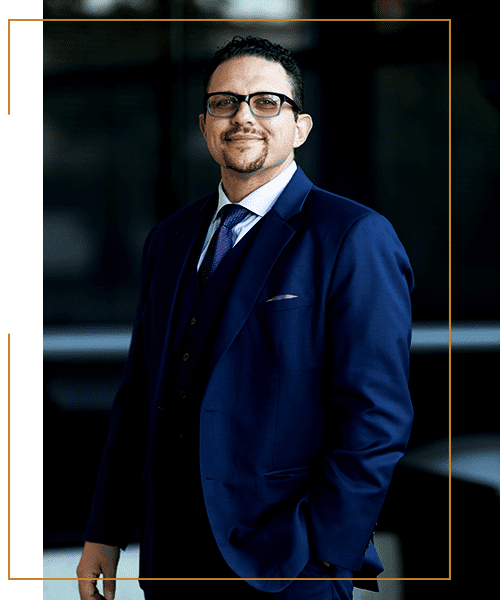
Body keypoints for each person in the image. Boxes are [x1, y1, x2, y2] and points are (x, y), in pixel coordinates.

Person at [77, 36, 414, 600]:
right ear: (205, 123)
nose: (243, 117)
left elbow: (375, 416)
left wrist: (324, 555)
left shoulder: (352, 235)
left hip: (287, 566)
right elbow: (138, 400)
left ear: (300, 126)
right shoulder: (169, 239)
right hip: (173, 564)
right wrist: (105, 533)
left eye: (266, 102)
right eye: (224, 102)